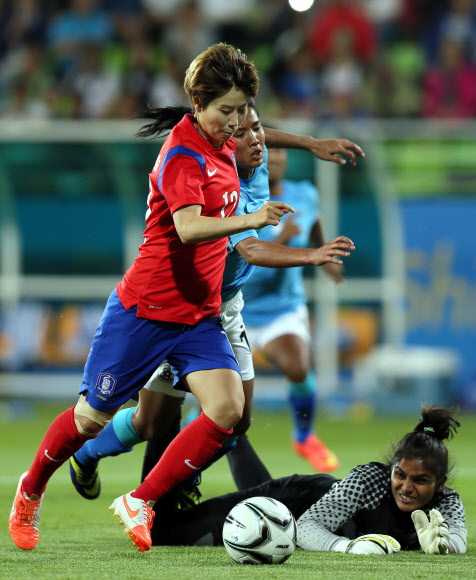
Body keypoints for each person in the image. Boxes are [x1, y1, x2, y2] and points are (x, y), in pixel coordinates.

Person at [8, 42, 296, 554]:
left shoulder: (225, 142)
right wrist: (251, 220)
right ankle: (29, 491)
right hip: (146, 311)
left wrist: (308, 142)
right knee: (87, 421)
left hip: (199, 317)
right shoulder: (183, 155)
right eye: (225, 112)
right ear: (198, 104)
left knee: (228, 411)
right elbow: (186, 229)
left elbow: (259, 133)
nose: (235, 123)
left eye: (241, 112)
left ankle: (140, 500)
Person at [68, 100, 359, 502]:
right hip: (177, 310)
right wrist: (311, 256)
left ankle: (182, 481)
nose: (259, 140)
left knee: (236, 420)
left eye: (258, 128)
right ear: (224, 140)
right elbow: (253, 250)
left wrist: (309, 143)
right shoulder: (225, 189)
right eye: (243, 132)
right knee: (151, 423)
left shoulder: (254, 161)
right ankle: (87, 453)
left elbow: (256, 134)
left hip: (224, 308)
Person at [147, 404, 467, 556]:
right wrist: (348, 548)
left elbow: (458, 541)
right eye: (400, 474)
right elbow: (307, 528)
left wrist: (444, 548)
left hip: (288, 520)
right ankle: (169, 406)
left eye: (421, 480)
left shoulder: (448, 502)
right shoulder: (370, 480)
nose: (406, 487)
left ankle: (233, 440)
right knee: (160, 533)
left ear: (439, 484)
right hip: (291, 500)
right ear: (391, 468)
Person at [241, 146, 342, 473]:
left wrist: (323, 253)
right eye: (272, 154)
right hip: (235, 311)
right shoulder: (240, 199)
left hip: (283, 309)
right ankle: (188, 440)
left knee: (298, 366)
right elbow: (248, 269)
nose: (278, 160)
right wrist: (282, 239)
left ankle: (304, 436)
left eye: (282, 154)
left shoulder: (304, 193)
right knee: (220, 404)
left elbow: (312, 222)